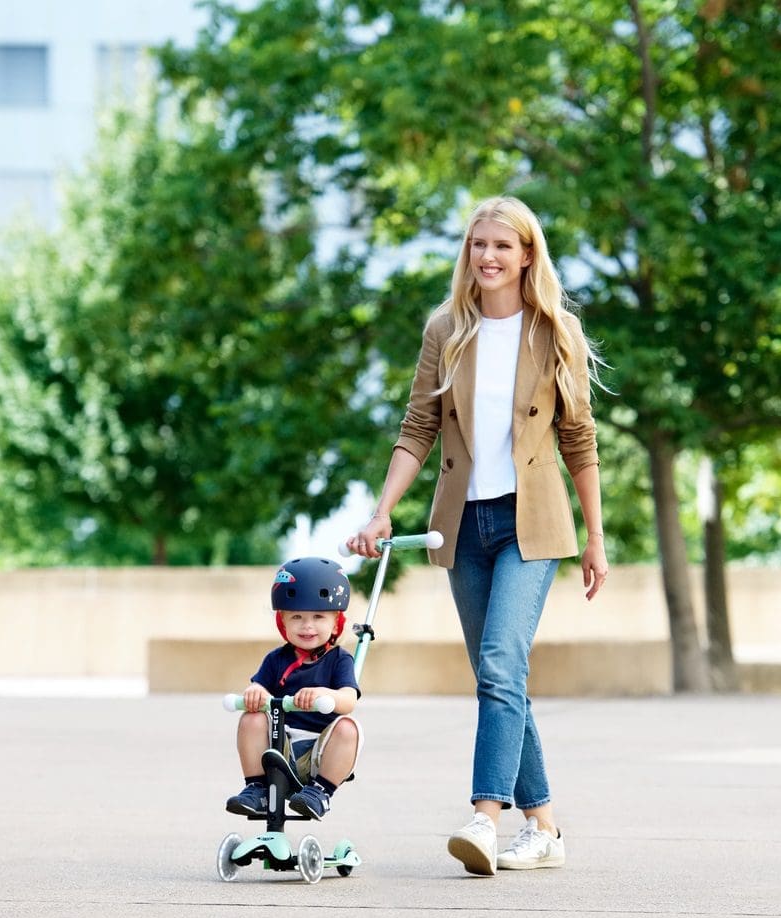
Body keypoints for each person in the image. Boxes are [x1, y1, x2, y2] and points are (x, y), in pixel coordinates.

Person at [348, 195, 608, 876]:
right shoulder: (447, 330)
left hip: (534, 525)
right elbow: (417, 430)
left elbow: (580, 440)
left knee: (499, 665)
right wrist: (383, 511)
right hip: (462, 526)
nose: (487, 257)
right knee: (503, 679)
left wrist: (596, 538)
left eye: (502, 246)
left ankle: (485, 819)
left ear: (528, 255)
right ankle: (546, 828)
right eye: (477, 245)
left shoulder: (556, 332)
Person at [225, 557, 362, 821]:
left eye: (318, 616)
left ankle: (320, 792)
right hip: (278, 744)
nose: (307, 625)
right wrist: (256, 694)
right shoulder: (276, 659)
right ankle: (257, 788)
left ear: (335, 623)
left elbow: (349, 699)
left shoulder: (339, 659)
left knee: (349, 728)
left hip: (320, 751)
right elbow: (258, 688)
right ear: (283, 622)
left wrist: (326, 694)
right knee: (251, 717)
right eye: (296, 616)